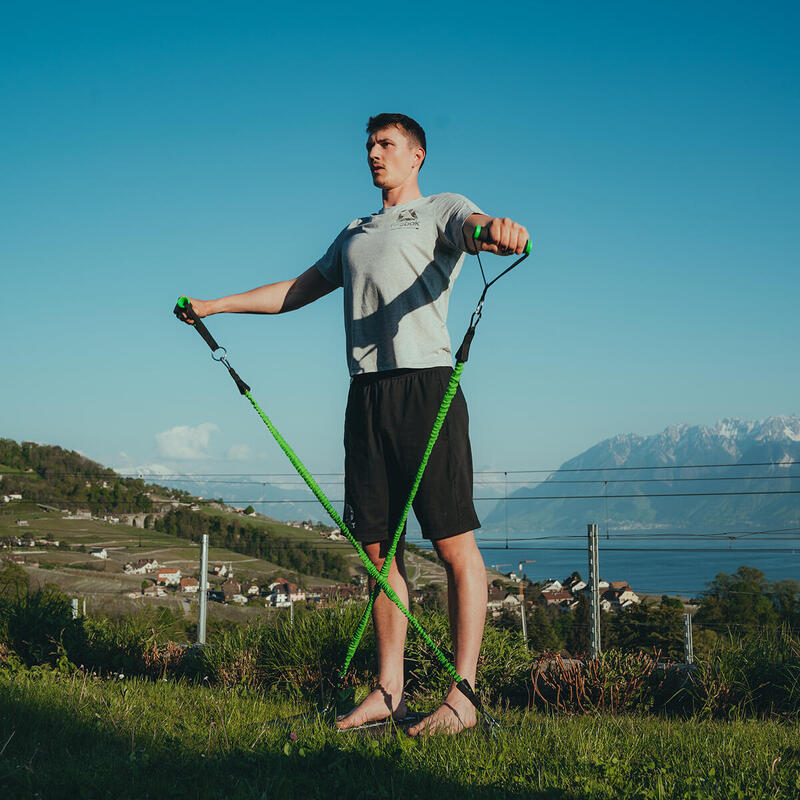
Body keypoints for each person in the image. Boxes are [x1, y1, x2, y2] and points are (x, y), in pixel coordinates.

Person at [179, 113, 529, 734]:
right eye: (369, 144)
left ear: (416, 155)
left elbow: (478, 229)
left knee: (452, 544)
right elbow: (295, 290)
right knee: (378, 550)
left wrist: (497, 230)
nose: (374, 153)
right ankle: (388, 692)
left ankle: (463, 698)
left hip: (426, 389)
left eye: (387, 144)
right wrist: (216, 306)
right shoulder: (354, 232)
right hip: (365, 395)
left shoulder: (443, 209)